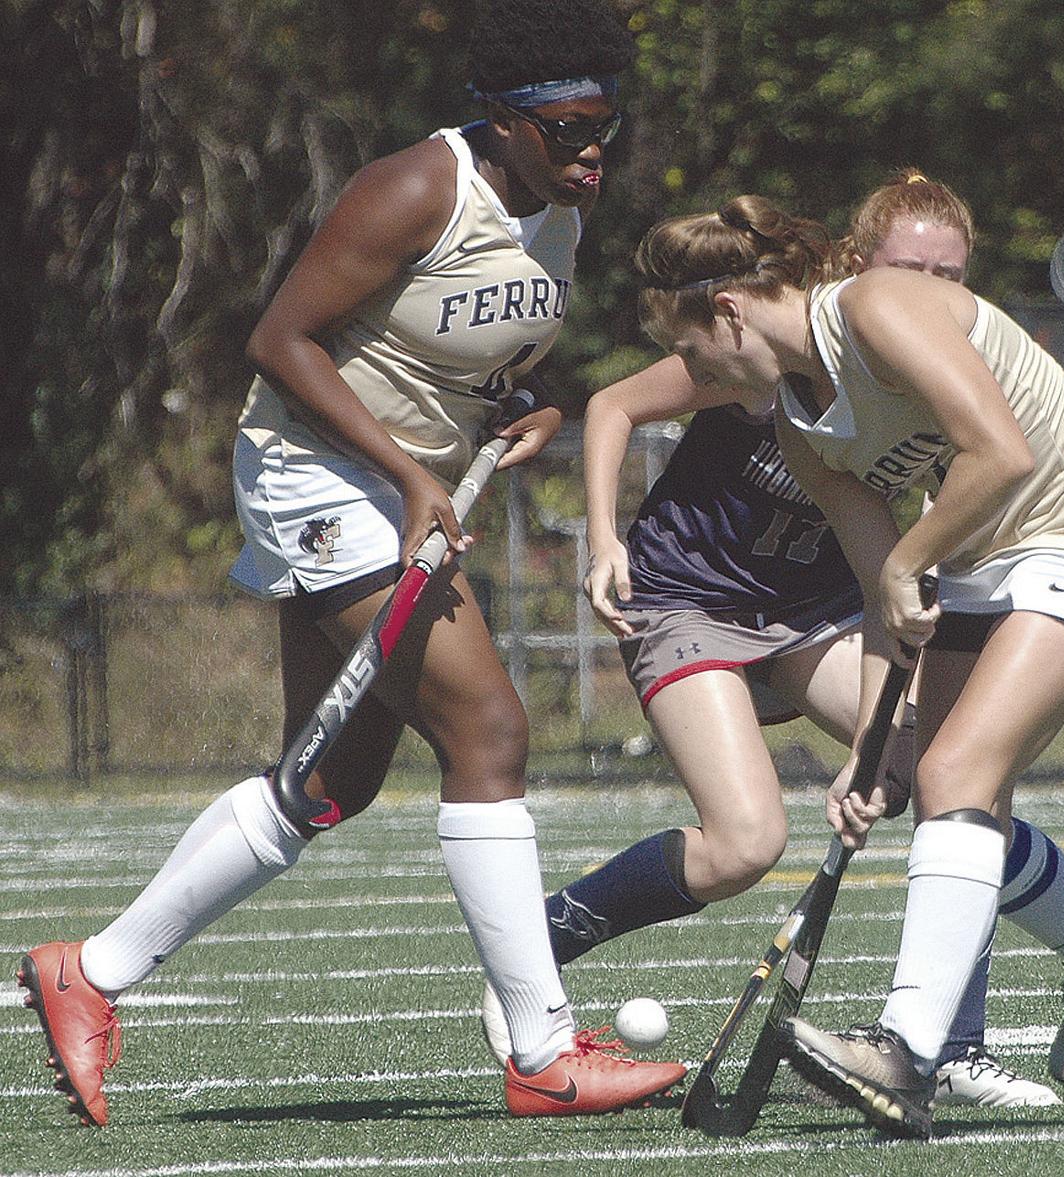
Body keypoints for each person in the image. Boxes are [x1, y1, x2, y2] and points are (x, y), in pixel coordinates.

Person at [16, 0, 684, 1128]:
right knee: (490, 733)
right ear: (503, 122)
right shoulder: (418, 186)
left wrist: (525, 407)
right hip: (319, 475)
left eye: (601, 127)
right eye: (564, 129)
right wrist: (413, 474)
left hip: (404, 480)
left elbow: (461, 357)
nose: (588, 152)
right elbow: (281, 340)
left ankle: (90, 973)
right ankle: (542, 1050)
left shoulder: (559, 214)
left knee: (329, 782)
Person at [481, 173, 1059, 1108]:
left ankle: (950, 1042)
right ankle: (534, 949)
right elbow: (611, 407)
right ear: (862, 271)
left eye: (952, 276)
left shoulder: (943, 373)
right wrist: (603, 539)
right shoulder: (750, 350)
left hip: (812, 608)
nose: (934, 294)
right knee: (744, 843)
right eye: (912, 270)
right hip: (690, 599)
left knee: (951, 765)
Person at [626, 193, 1064, 1139]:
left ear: (725, 313)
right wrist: (868, 745)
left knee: (961, 775)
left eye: (687, 351)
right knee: (936, 780)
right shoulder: (802, 431)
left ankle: (908, 1054)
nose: (691, 375)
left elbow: (998, 454)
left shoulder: (876, 306)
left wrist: (905, 558)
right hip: (979, 562)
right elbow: (889, 598)